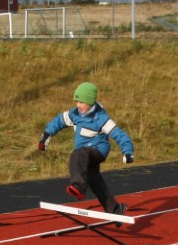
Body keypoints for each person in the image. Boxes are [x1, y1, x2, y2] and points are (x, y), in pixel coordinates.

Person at [38, 81, 134, 215]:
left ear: (90, 102)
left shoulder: (101, 118)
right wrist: (46, 136)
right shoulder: (74, 114)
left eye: (81, 102)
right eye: (76, 102)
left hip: (98, 151)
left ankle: (79, 185)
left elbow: (119, 135)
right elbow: (58, 121)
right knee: (95, 180)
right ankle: (115, 209)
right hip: (84, 155)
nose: (78, 105)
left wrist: (128, 152)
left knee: (77, 154)